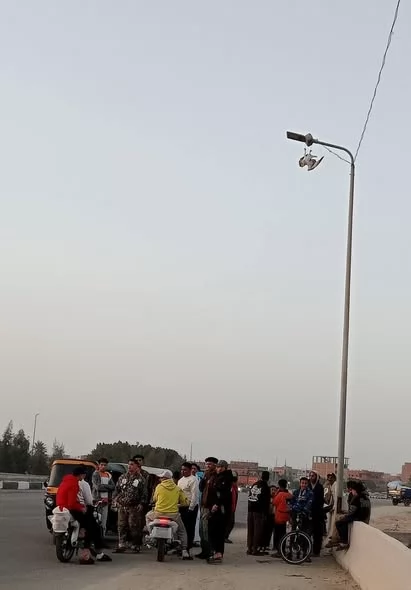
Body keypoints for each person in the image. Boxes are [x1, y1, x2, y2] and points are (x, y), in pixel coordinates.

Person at [56, 465, 111, 564]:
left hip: (61, 508)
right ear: (81, 474)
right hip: (72, 509)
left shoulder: (64, 481)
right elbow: (83, 501)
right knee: (92, 527)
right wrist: (82, 508)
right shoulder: (78, 484)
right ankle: (89, 554)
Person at [146, 469, 191, 559]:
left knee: (147, 516)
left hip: (158, 513)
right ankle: (184, 550)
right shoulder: (177, 488)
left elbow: (154, 499)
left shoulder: (159, 487)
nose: (160, 479)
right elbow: (185, 502)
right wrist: (178, 504)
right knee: (182, 531)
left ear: (164, 478)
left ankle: (151, 535)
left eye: (161, 478)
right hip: (173, 515)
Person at [113, 458, 147, 553]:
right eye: (129, 464)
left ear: (136, 466)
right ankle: (122, 544)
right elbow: (117, 490)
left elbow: (144, 493)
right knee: (121, 525)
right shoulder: (122, 477)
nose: (129, 466)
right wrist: (115, 500)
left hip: (134, 506)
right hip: (122, 505)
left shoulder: (140, 479)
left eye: (132, 464)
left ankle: (136, 544)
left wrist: (141, 503)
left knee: (134, 526)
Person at [206, 460, 233, 564]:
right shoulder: (217, 477)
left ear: (225, 468)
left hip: (220, 509)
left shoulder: (226, 478)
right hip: (214, 507)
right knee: (212, 531)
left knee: (218, 532)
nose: (219, 469)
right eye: (218, 466)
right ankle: (214, 552)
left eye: (221, 467)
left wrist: (217, 504)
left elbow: (223, 494)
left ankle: (218, 553)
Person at [334, 481, 371, 549]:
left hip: (358, 517)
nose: (351, 492)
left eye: (352, 490)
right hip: (364, 518)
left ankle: (344, 542)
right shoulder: (366, 497)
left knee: (339, 523)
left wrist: (346, 515)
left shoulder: (357, 498)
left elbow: (352, 511)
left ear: (356, 490)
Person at [196, 457, 218, 560]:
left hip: (210, 507)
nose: (207, 466)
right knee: (201, 530)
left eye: (210, 464)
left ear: (215, 465)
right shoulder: (206, 475)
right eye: (206, 464)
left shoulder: (216, 476)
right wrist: (204, 478)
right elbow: (201, 488)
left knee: (206, 530)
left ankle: (209, 551)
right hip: (203, 505)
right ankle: (204, 551)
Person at [247, 471, 271, 556]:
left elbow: (250, 496)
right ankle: (255, 549)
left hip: (250, 510)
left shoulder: (254, 484)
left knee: (250, 530)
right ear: (268, 478)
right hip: (259, 511)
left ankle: (249, 548)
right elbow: (266, 502)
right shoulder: (265, 487)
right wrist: (266, 513)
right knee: (257, 530)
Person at [178, 462, 200, 550]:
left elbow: (195, 495)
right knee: (181, 528)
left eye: (185, 470)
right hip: (182, 507)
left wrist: (191, 509)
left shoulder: (193, 480)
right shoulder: (180, 480)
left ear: (190, 470)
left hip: (191, 508)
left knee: (189, 528)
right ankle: (182, 546)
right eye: (182, 470)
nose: (183, 471)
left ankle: (188, 548)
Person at [92, 458, 115, 536]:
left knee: (104, 521)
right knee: (97, 520)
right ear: (98, 465)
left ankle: (103, 537)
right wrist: (107, 487)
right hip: (97, 501)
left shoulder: (108, 475)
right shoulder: (95, 474)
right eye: (101, 465)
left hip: (106, 501)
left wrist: (104, 486)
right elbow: (98, 487)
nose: (103, 466)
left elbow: (113, 486)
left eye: (105, 465)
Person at [272, 479, 292, 556]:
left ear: (279, 485)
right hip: (286, 515)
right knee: (283, 534)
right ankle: (282, 550)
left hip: (279, 516)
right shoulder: (289, 494)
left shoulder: (280, 494)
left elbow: (274, 502)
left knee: (278, 534)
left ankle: (279, 551)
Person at [309, 470, 325, 556]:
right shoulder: (307, 485)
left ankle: (316, 551)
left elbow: (321, 500)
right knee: (307, 532)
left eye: (313, 476)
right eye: (310, 476)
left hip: (317, 513)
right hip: (308, 512)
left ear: (317, 477)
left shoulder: (320, 487)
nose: (311, 477)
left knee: (317, 534)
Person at [225, 473, 239, 543]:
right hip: (229, 508)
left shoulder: (234, 488)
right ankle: (225, 537)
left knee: (231, 523)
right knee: (230, 523)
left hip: (232, 508)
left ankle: (225, 536)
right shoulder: (231, 487)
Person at [323, 473, 336, 537]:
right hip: (327, 504)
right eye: (328, 478)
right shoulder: (328, 485)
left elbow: (335, 497)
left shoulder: (335, 485)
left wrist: (333, 507)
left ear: (334, 478)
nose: (329, 479)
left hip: (332, 505)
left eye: (331, 478)